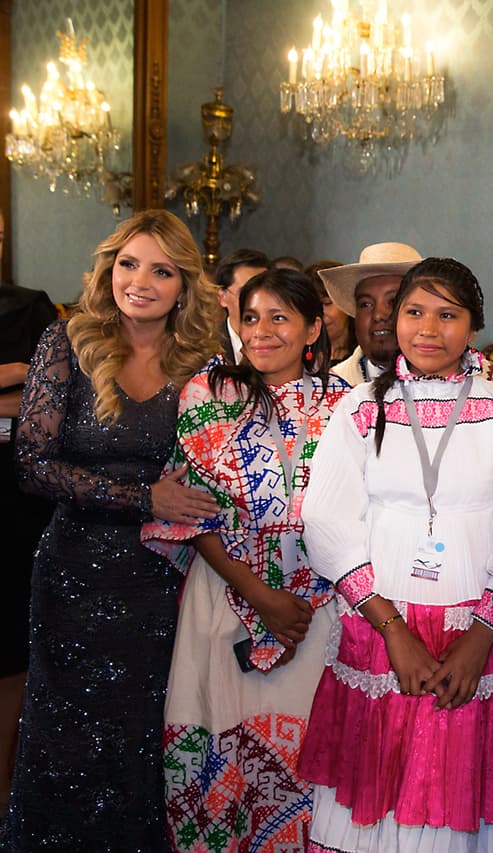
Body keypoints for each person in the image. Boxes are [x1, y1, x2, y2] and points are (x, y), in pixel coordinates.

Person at [299, 257, 493, 852]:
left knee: (453, 808)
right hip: (379, 628)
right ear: (394, 319)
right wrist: (392, 632)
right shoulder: (358, 409)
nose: (429, 328)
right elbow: (325, 520)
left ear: (474, 328)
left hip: (474, 632)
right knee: (376, 802)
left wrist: (483, 633)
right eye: (414, 311)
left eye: (448, 315)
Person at [7, 210, 223, 850]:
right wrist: (142, 497)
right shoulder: (69, 340)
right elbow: (31, 465)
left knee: (146, 733)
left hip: (163, 582)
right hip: (74, 578)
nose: (141, 282)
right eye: (129, 264)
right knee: (66, 734)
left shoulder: (203, 360)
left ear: (184, 285)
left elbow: (217, 464)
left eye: (162, 270)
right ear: (109, 269)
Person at [141, 268, 350, 850]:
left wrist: (297, 601)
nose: (261, 332)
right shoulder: (208, 394)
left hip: (317, 611)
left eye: (279, 318)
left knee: (304, 760)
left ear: (313, 328)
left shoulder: (345, 403)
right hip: (225, 597)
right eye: (251, 318)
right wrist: (262, 596)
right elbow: (192, 508)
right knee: (223, 756)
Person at [0, 209, 58, 812]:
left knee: (16, 652)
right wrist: (15, 375)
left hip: (16, 505)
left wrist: (27, 382)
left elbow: (50, 401)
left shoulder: (27, 306)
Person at [320, 242, 423, 386]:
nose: (378, 315)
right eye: (365, 304)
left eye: (393, 302)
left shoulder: (455, 384)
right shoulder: (332, 388)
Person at [213, 248, 272, 364]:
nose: (257, 302)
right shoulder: (205, 349)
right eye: (245, 293)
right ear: (222, 297)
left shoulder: (281, 343)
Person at [307, 260, 354, 362]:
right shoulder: (298, 357)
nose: (319, 314)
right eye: (311, 307)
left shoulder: (364, 355)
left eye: (327, 303)